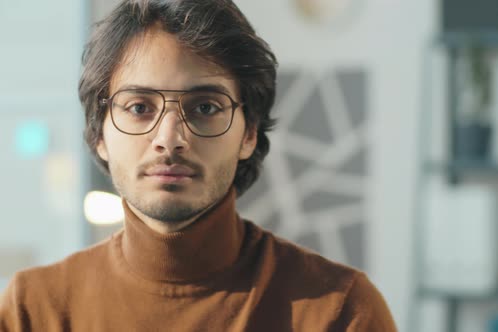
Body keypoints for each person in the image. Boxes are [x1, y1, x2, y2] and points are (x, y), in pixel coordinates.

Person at [0, 0, 397, 331]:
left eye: (205, 107)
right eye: (139, 108)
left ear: (249, 134)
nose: (170, 138)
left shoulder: (339, 311)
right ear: (99, 134)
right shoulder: (34, 310)